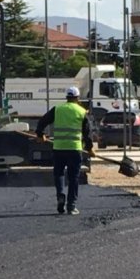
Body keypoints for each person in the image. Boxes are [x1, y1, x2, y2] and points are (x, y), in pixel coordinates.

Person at [35, 86, 94, 215]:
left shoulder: (58, 109)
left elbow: (42, 122)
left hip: (59, 147)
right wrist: (89, 149)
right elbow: (87, 133)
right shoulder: (82, 111)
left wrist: (40, 134)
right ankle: (71, 206)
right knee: (74, 177)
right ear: (77, 98)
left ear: (66, 97)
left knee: (59, 174)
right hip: (74, 149)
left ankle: (60, 195)